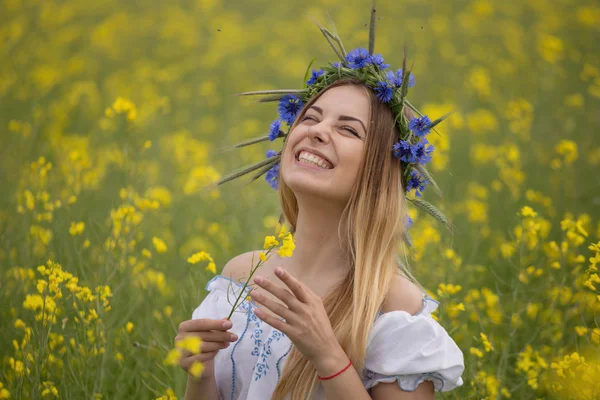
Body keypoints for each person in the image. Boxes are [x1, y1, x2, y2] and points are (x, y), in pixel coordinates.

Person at [175, 8, 464, 400]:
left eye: (348, 129)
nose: (317, 131)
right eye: (310, 117)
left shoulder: (393, 309)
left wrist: (328, 356)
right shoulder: (242, 277)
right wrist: (200, 375)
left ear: (379, 172)